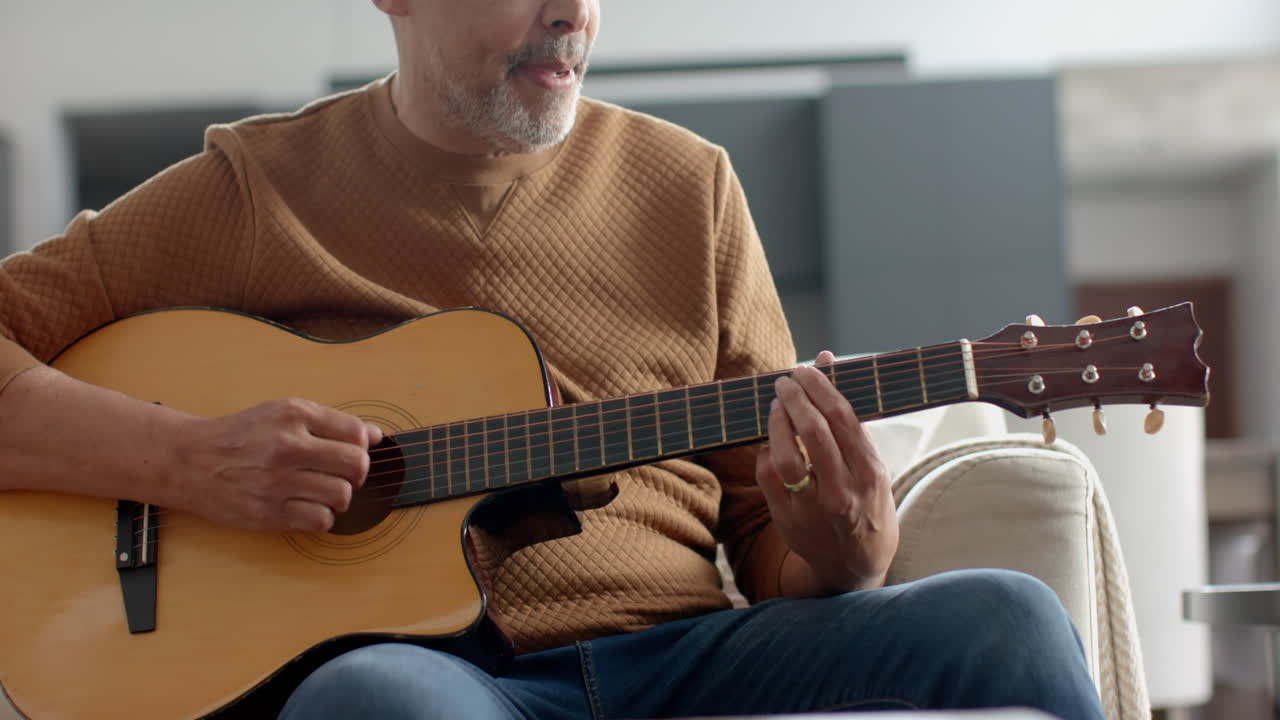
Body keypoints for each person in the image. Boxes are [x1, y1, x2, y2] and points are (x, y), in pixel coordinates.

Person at [0, 1, 1104, 718]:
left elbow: (759, 531)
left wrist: (840, 550)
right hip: (437, 679)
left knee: (1009, 622)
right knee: (376, 705)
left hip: (683, 660)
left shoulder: (690, 188)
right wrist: (191, 461)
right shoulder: (255, 190)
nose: (573, 12)